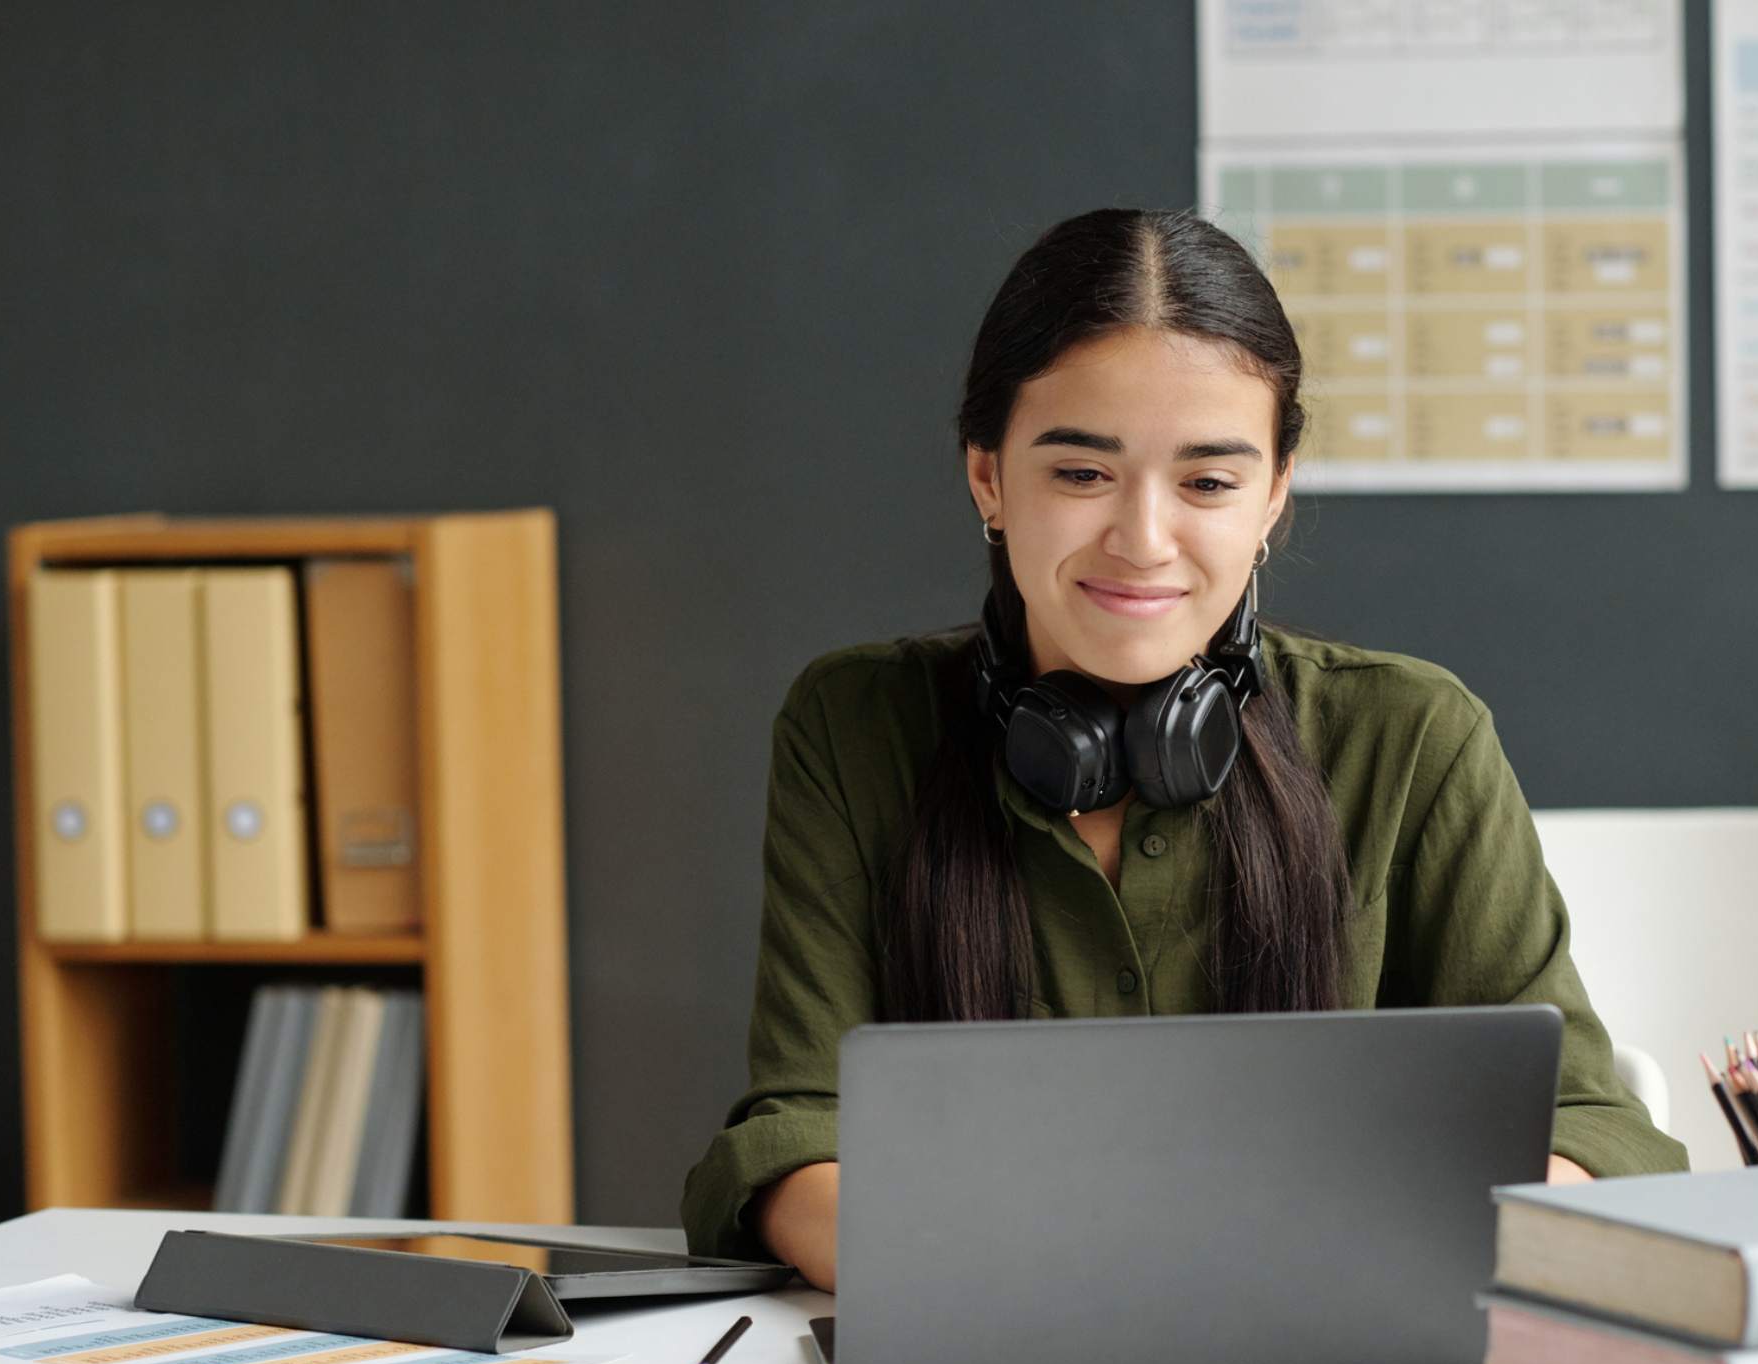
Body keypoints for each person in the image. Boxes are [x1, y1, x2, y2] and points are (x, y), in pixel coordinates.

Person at [681, 207, 1688, 1293]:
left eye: (1208, 481)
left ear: (1273, 495)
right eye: (1081, 474)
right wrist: (1043, 1282)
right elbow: (795, 1136)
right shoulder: (855, 724)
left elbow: (1591, 1125)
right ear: (987, 474)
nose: (1143, 540)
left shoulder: (1414, 734)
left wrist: (1366, 1257)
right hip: (988, 1332)